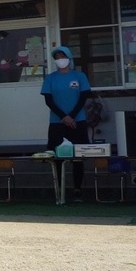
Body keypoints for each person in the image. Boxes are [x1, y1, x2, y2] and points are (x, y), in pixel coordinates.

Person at [40, 46, 92, 201]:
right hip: (57, 122)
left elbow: (83, 98)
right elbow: (48, 100)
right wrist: (64, 117)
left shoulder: (80, 76)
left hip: (78, 121)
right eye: (57, 57)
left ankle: (77, 189)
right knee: (57, 157)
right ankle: (59, 190)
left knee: (77, 156)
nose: (60, 60)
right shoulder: (50, 78)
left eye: (63, 56)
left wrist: (72, 116)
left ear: (69, 58)